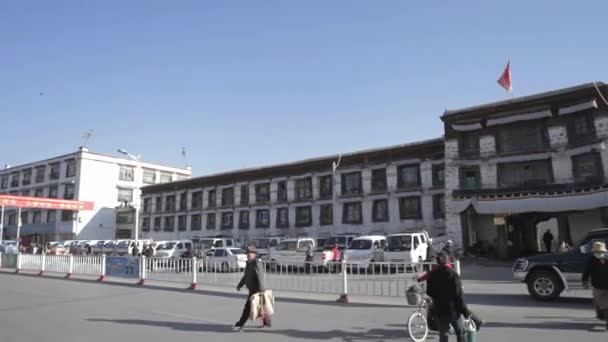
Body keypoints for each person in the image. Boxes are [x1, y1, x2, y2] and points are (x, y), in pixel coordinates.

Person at [427, 252, 470, 342]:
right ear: (448, 262)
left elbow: (429, 292)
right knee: (460, 332)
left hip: (439, 309)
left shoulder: (432, 275)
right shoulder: (453, 275)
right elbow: (459, 295)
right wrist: (465, 311)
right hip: (453, 310)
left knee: (443, 335)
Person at [235, 246, 270, 330]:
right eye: (247, 253)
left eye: (249, 253)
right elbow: (245, 276)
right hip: (252, 289)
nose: (248, 255)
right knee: (260, 306)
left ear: (254, 254)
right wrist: (240, 285)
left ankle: (241, 323)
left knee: (248, 307)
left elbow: (260, 277)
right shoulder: (249, 263)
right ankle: (267, 321)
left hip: (257, 289)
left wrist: (261, 291)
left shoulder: (257, 263)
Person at [582, 241, 608, 327]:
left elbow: (586, 272)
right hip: (597, 285)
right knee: (599, 301)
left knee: (603, 303)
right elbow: (586, 272)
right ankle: (601, 315)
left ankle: (604, 317)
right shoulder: (592, 260)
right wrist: (585, 281)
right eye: (598, 252)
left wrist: (585, 281)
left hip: (598, 286)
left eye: (600, 252)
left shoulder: (591, 259)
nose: (599, 254)